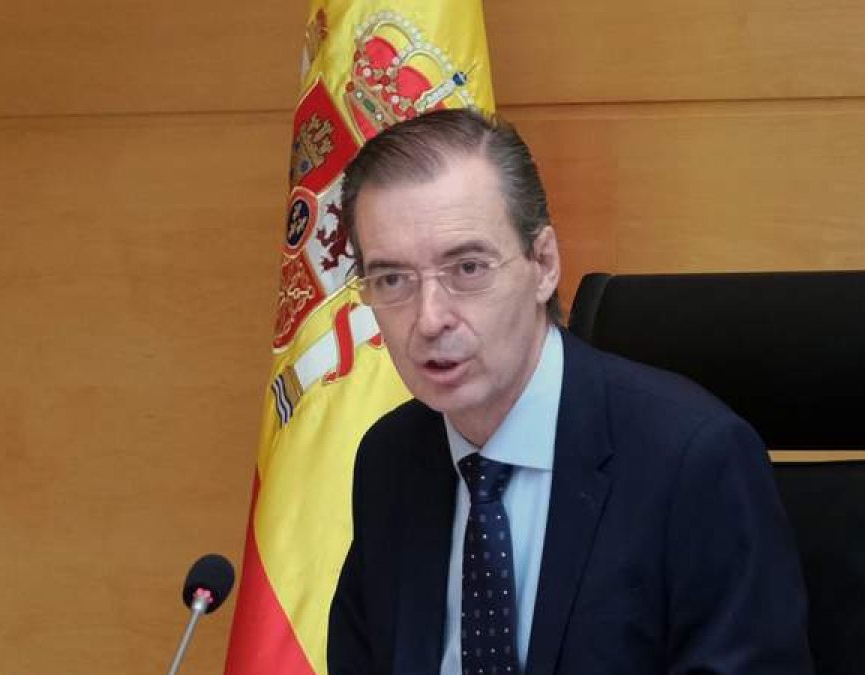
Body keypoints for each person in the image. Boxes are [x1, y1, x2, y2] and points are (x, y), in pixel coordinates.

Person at [327, 108, 812, 675]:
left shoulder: (691, 460)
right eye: (392, 280)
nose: (430, 318)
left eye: (467, 268)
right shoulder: (391, 460)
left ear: (544, 265)